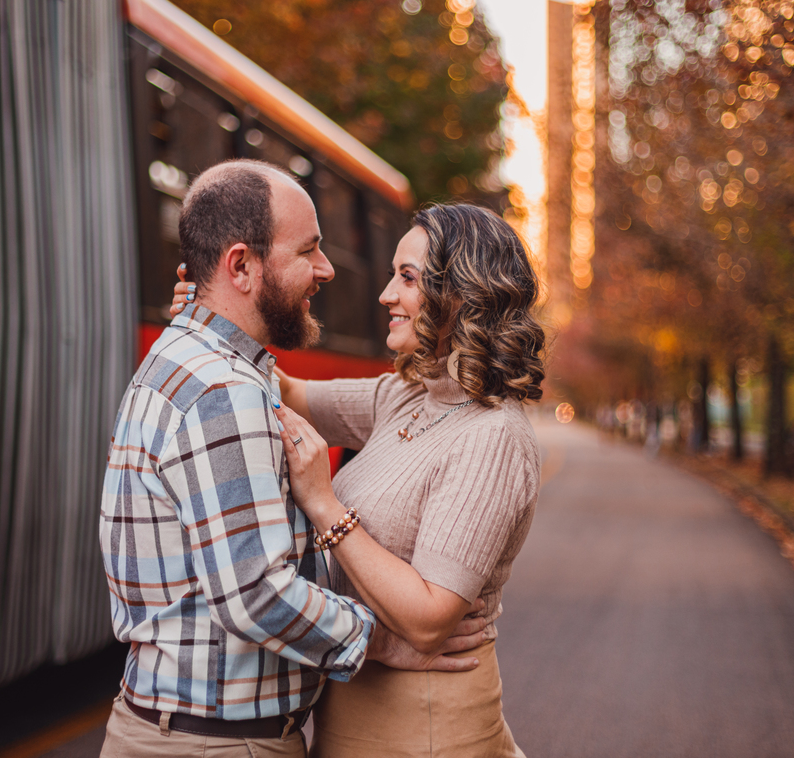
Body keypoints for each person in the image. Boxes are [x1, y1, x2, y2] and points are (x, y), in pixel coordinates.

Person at [100, 160, 485, 758]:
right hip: (217, 746)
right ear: (243, 266)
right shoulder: (221, 390)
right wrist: (380, 639)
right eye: (310, 250)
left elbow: (293, 389)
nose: (328, 270)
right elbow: (256, 592)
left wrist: (207, 308)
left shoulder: (190, 355)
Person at [170, 202, 548, 756]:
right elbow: (288, 392)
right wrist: (216, 317)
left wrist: (325, 505)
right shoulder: (411, 396)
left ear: (463, 297)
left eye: (408, 278)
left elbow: (426, 620)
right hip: (355, 711)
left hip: (423, 726)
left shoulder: (493, 436)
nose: (386, 295)